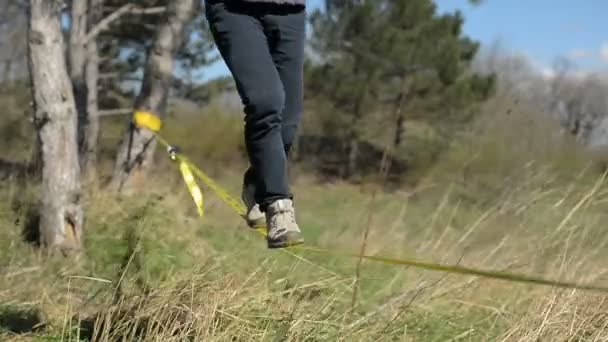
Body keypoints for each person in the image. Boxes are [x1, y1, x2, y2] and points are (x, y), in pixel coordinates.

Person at [204, 0, 306, 248]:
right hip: (235, 9)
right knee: (266, 102)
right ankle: (278, 208)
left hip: (290, 10)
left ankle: (256, 183)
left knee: (288, 121)